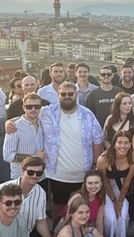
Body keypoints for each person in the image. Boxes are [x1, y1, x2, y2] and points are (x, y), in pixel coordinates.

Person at [41, 83, 105, 221]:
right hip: (58, 174)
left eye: (70, 94)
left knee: (82, 209)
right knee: (58, 208)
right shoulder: (47, 112)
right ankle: (58, 235)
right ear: (58, 95)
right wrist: (9, 122)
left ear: (76, 95)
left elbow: (97, 140)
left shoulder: (87, 115)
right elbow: (29, 116)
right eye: (63, 94)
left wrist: (95, 164)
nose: (67, 97)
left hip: (83, 173)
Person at [53, 168, 111, 237]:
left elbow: (99, 222)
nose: (93, 186)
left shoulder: (100, 197)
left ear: (101, 183)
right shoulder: (78, 197)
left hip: (86, 227)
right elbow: (69, 224)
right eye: (90, 183)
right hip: (69, 228)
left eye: (96, 183)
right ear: (85, 184)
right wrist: (92, 230)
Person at [95, 134, 134, 237]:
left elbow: (127, 181)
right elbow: (105, 183)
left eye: (126, 143)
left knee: (123, 215)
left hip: (120, 188)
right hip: (104, 189)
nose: (123, 146)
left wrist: (120, 201)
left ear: (130, 144)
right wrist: (114, 201)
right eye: (120, 142)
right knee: (110, 219)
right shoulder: (103, 159)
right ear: (114, 144)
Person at [3, 92, 48, 179]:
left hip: (41, 176)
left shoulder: (44, 124)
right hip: (21, 177)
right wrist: (33, 157)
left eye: (37, 106)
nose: (33, 109)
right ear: (23, 107)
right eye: (29, 106)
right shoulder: (15, 127)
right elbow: (8, 155)